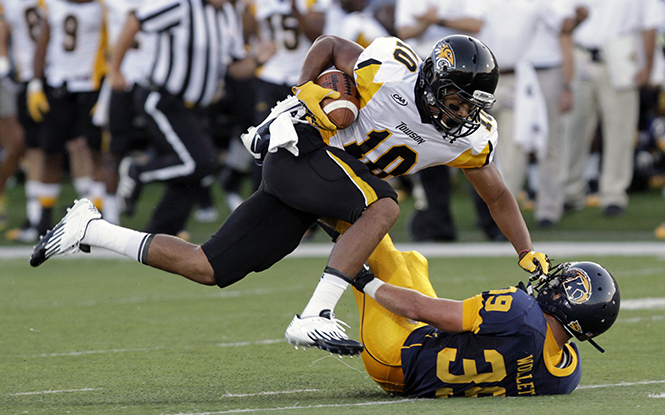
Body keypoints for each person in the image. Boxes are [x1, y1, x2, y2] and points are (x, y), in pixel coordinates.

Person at [30, 34, 550, 357]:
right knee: (383, 204)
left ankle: (88, 228)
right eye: (457, 100)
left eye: (471, 104)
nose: (464, 114)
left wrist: (526, 251)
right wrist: (303, 95)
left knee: (208, 266)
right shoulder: (389, 69)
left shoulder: (472, 138)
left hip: (327, 184)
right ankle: (314, 316)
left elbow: (498, 196)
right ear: (434, 81)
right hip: (303, 150)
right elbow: (327, 46)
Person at [350, 234, 620, 396]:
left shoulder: (520, 310)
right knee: (413, 262)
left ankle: (317, 201)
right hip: (427, 373)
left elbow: (418, 310)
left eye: (562, 287)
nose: (553, 286)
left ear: (572, 304)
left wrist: (365, 282)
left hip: (396, 356)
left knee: (377, 240)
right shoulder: (564, 375)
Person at [111, 0, 271, 235]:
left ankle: (161, 233)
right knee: (199, 162)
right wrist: (115, 70)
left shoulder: (227, 15)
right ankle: (138, 171)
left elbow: (236, 69)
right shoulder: (180, 5)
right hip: (163, 98)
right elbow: (134, 21)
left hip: (195, 109)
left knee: (198, 171)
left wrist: (258, 60)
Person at [561, 0, 664, 216]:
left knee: (620, 132)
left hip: (620, 57)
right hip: (581, 55)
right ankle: (571, 191)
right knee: (574, 128)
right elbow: (562, 21)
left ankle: (613, 194)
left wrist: (648, 66)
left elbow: (649, 25)